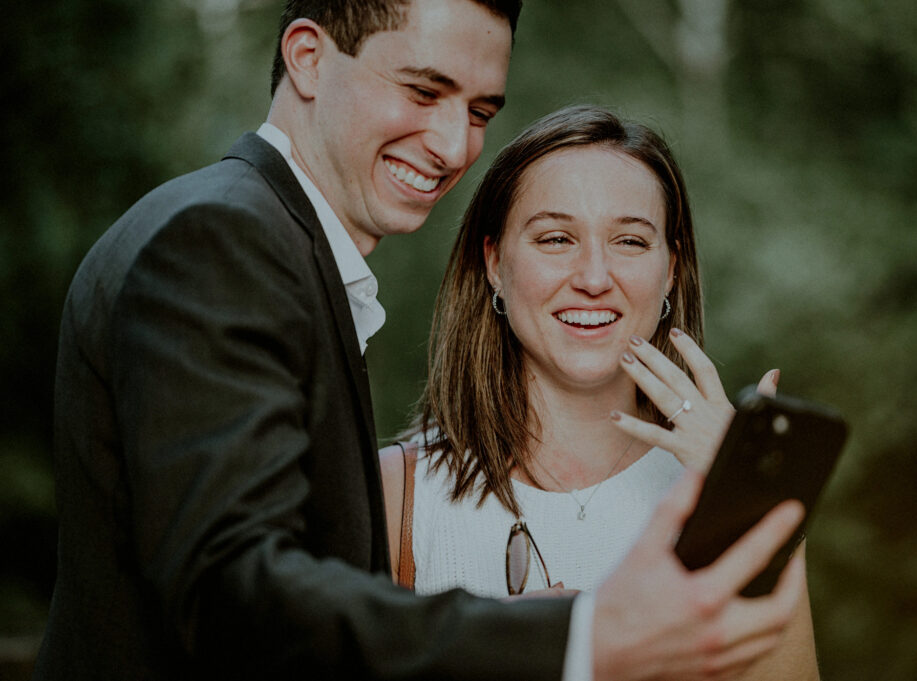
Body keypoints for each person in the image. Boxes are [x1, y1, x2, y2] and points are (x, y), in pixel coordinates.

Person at [35, 0, 806, 678]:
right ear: (307, 57)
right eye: (423, 89)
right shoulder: (223, 239)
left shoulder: (272, 251)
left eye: (478, 111)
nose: (451, 145)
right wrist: (577, 639)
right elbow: (236, 598)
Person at [381, 106, 820, 678]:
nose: (593, 277)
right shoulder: (396, 494)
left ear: (669, 270)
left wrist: (753, 500)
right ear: (494, 263)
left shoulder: (723, 484)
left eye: (631, 242)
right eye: (557, 238)